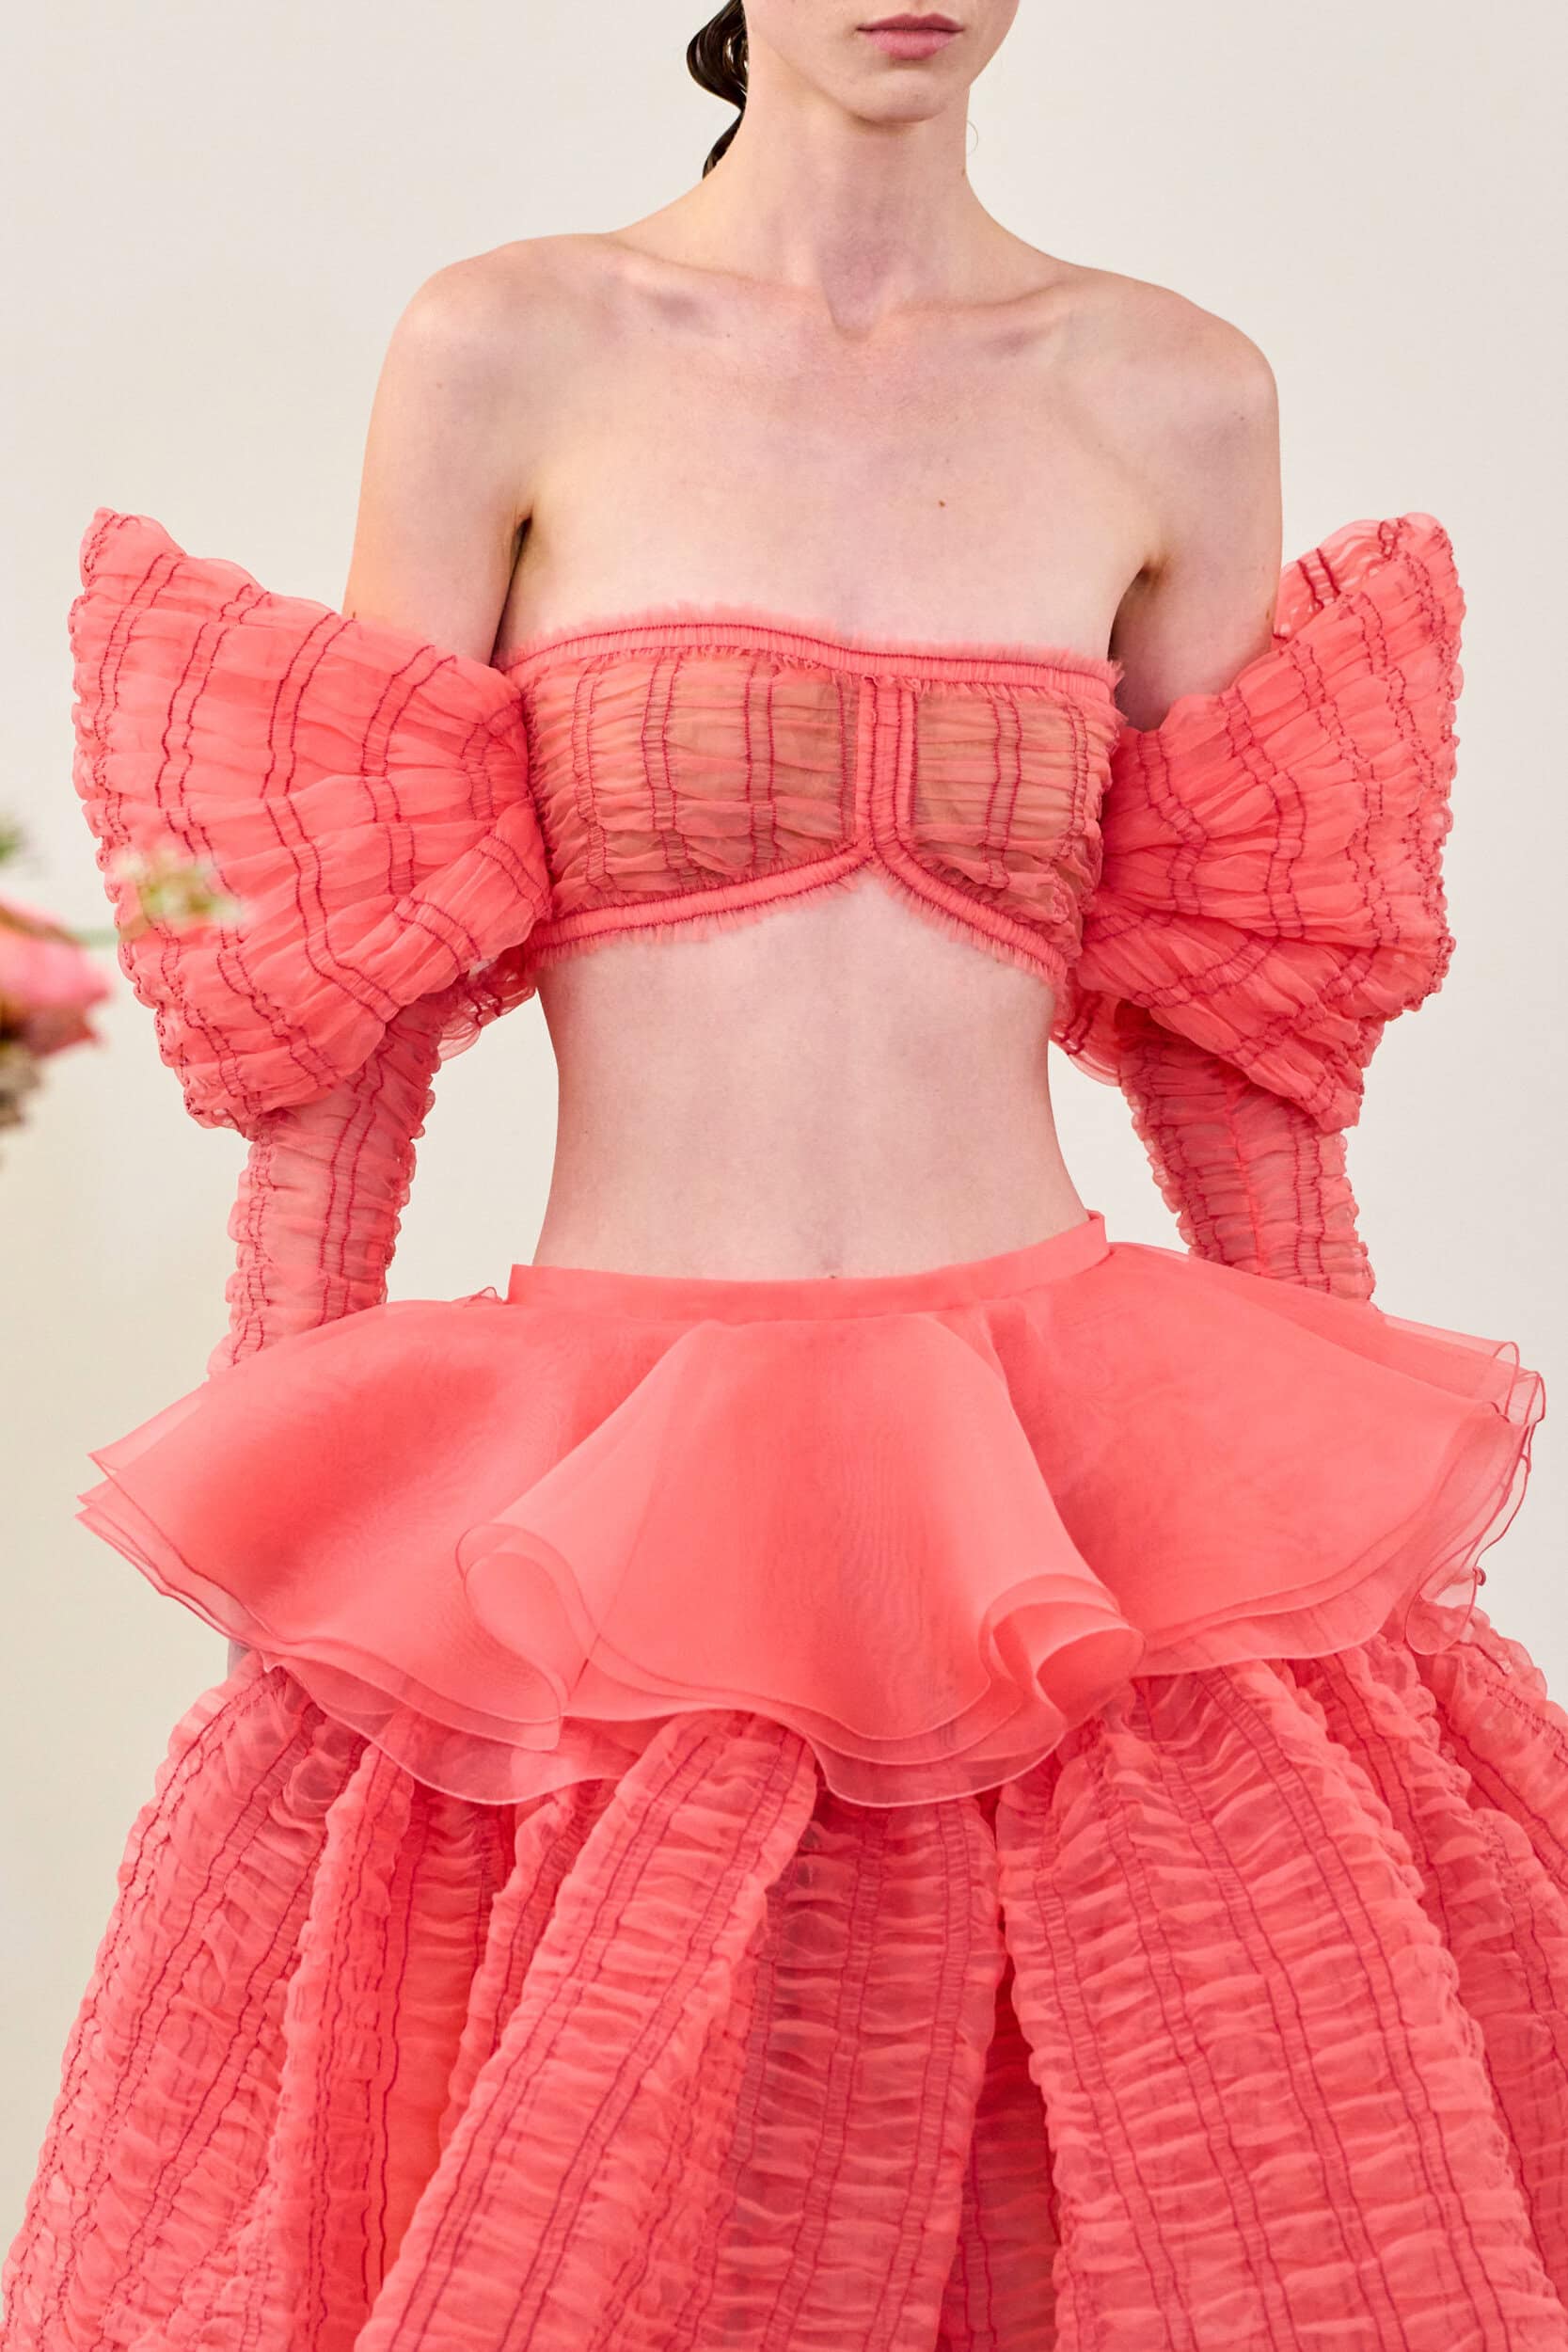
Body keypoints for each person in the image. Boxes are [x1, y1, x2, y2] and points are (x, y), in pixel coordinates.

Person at [5, 5, 1565, 2346]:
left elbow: (1242, 1029)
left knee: (1185, 2189)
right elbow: (354, 974)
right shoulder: (509, 349)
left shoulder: (1173, 396)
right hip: (611, 1493)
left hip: (1059, 1498)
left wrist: (1341, 1542)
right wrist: (285, 1443)